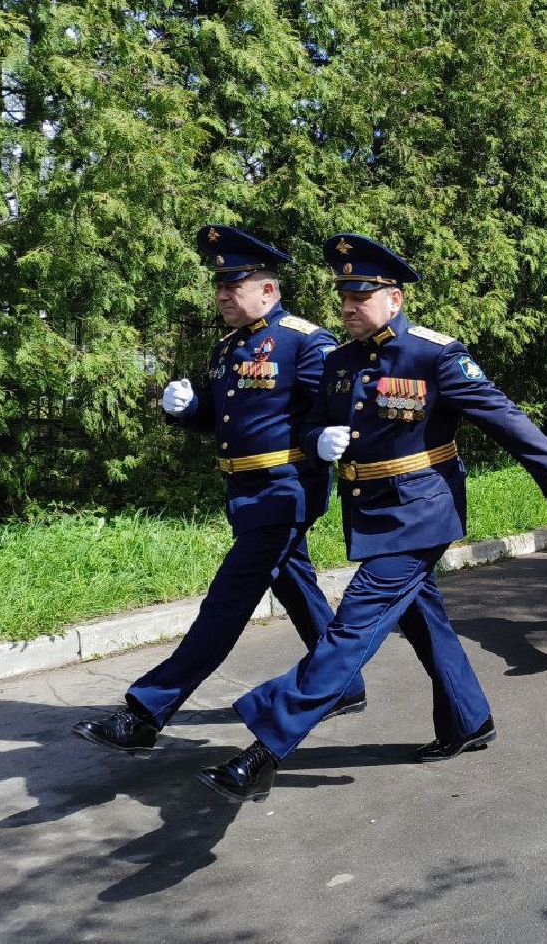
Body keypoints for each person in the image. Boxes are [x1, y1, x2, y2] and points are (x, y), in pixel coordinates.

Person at [195, 234, 547, 803]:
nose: (349, 307)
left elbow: (499, 413)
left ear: (395, 300)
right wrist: (318, 439)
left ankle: (265, 747)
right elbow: (309, 424)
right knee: (424, 618)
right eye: (344, 297)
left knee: (352, 629)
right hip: (372, 512)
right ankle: (468, 720)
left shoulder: (434, 355)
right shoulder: (338, 362)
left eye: (362, 295)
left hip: (422, 513)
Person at [73, 226, 365, 755]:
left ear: (268, 291)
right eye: (221, 287)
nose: (224, 296)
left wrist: (326, 440)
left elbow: (337, 412)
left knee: (225, 604)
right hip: (243, 490)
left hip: (285, 492)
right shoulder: (229, 347)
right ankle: (343, 684)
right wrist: (189, 410)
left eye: (236, 286)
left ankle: (146, 711)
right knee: (295, 585)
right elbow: (226, 416)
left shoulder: (305, 341)